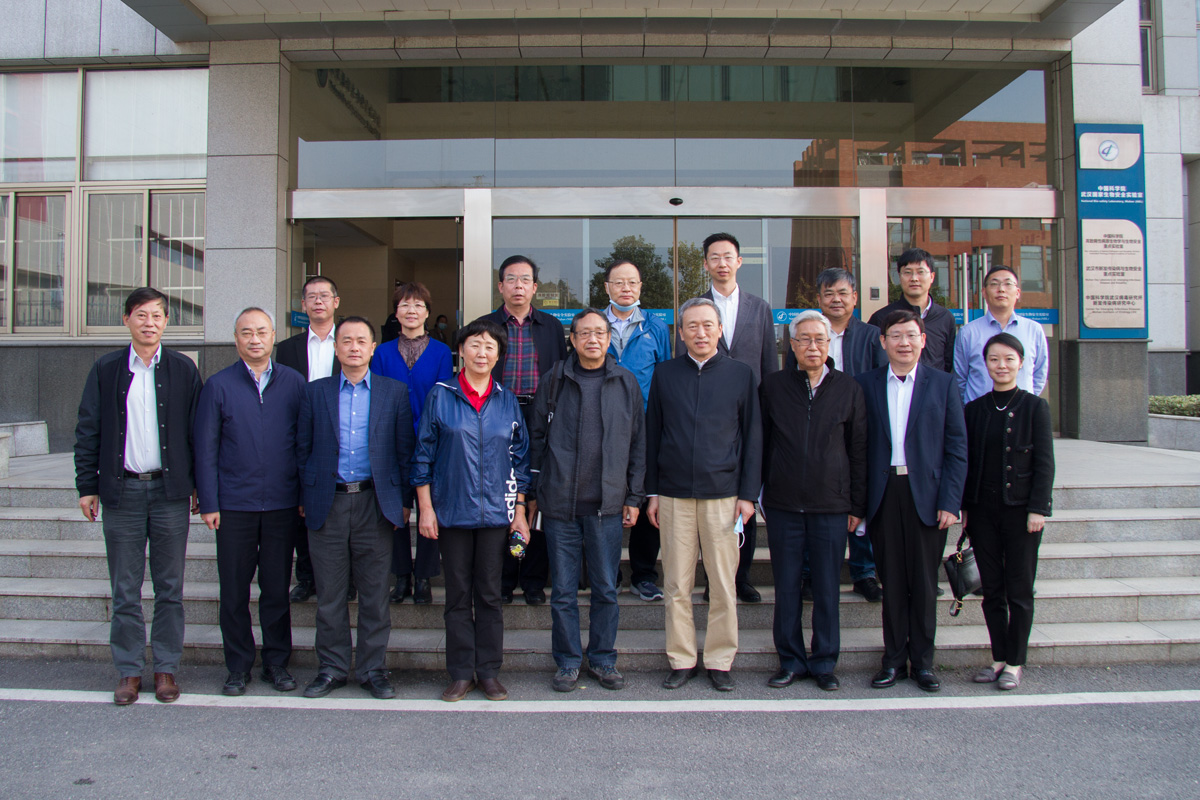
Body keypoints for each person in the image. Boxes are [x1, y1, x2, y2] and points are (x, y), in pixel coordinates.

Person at [74, 287, 203, 705]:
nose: (150, 323)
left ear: (166, 322)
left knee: (170, 587)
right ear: (126, 319)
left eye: (157, 315)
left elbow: (198, 433)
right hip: (122, 490)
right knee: (125, 588)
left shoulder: (183, 369)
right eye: (141, 315)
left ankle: (165, 668)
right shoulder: (106, 368)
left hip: (169, 493)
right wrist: (87, 485)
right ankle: (129, 671)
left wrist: (199, 486)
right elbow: (88, 429)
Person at [412, 319, 531, 702]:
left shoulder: (506, 399)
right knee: (458, 595)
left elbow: (520, 459)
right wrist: (426, 508)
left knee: (491, 595)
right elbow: (423, 455)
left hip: (497, 514)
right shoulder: (441, 395)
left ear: (499, 356)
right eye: (475, 345)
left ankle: (489, 672)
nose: (482, 353)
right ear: (461, 351)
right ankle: (462, 673)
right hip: (452, 511)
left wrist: (520, 512)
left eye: (490, 347)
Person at [295, 316, 414, 700]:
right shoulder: (315, 392)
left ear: (373, 347)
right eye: (346, 340)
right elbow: (302, 449)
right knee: (330, 595)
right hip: (327, 502)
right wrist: (304, 496)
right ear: (336, 347)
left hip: (374, 503)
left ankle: (372, 669)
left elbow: (404, 451)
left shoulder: (393, 392)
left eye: (361, 340)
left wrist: (404, 502)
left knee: (375, 594)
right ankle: (331, 669)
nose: (354, 347)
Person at [647, 298, 762, 692]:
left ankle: (720, 659)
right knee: (677, 584)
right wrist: (652, 492)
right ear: (680, 333)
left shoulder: (741, 375)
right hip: (673, 494)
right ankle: (681, 658)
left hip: (724, 496)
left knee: (723, 584)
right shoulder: (665, 374)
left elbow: (753, 438)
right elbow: (653, 433)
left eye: (708, 325)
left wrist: (748, 495)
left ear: (719, 330)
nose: (700, 333)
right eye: (692, 326)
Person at [529, 309, 646, 693]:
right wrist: (534, 493)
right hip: (560, 504)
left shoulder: (625, 382)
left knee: (605, 589)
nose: (593, 339)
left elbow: (638, 443)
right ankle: (566, 662)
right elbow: (536, 440)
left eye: (600, 333)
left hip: (607, 507)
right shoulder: (555, 380)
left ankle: (602, 658)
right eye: (585, 333)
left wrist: (633, 495)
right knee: (563, 592)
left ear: (609, 339)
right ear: (573, 339)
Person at [193, 308, 306, 696]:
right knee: (234, 592)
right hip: (233, 506)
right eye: (246, 333)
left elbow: (303, 444)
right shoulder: (218, 385)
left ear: (273, 336)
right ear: (236, 338)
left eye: (261, 332)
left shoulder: (293, 383)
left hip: (281, 505)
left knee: (276, 590)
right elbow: (205, 448)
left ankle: (276, 663)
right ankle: (238, 666)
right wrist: (209, 501)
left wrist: (302, 496)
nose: (254, 339)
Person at [855, 310, 967, 693]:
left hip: (928, 497)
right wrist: (858, 504)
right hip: (884, 493)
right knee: (891, 581)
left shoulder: (943, 384)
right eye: (896, 336)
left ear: (923, 340)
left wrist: (951, 500)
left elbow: (957, 447)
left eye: (911, 335)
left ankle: (923, 663)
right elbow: (858, 447)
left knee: (923, 583)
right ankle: (892, 660)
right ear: (883, 341)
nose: (904, 342)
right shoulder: (866, 384)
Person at [761, 310, 867, 692]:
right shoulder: (773, 387)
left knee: (826, 588)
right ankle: (790, 660)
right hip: (783, 505)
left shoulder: (849, 389)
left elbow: (859, 450)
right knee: (787, 587)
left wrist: (857, 505)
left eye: (819, 339)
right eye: (804, 339)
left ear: (829, 344)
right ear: (791, 345)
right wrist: (759, 492)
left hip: (831, 506)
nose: (812, 346)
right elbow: (762, 443)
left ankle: (824, 662)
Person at [682, 232, 778, 604]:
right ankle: (712, 579)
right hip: (707, 418)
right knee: (710, 504)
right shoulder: (696, 307)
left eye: (728, 256)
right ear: (705, 264)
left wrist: (768, 415)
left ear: (739, 261)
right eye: (714, 257)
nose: (722, 263)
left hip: (748, 415)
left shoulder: (760, 307)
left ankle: (743, 577)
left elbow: (769, 364)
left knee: (744, 495)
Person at [784, 267, 886, 603]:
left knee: (858, 499)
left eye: (843, 293)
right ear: (819, 299)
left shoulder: (871, 336)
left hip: (859, 427)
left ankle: (864, 571)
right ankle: (810, 574)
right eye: (829, 294)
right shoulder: (805, 334)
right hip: (815, 432)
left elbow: (880, 381)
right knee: (814, 502)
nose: (836, 299)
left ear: (855, 297)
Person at [963, 332, 1055, 691]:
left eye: (1008, 359)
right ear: (985, 364)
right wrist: (965, 508)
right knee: (992, 590)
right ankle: (998, 658)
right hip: (983, 512)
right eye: (994, 359)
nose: (1001, 366)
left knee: (1019, 589)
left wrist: (1038, 508)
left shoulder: (1035, 408)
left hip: (1021, 513)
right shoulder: (975, 409)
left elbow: (1044, 463)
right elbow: (969, 463)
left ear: (1021, 363)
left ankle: (1015, 662)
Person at [476, 255, 566, 606]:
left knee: (538, 493)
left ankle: (532, 580)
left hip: (541, 415)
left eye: (525, 279)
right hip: (497, 414)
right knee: (502, 492)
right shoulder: (484, 325)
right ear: (500, 286)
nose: (518, 286)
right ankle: (502, 579)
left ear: (535, 287)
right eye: (511, 279)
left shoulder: (551, 327)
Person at [370, 282, 453, 606]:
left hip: (430, 442)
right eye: (405, 305)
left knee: (429, 508)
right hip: (391, 443)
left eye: (418, 305)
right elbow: (377, 398)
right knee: (396, 511)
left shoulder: (441, 352)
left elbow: (442, 397)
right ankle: (402, 575)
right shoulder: (382, 352)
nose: (411, 310)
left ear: (427, 312)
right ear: (396, 312)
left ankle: (424, 578)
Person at [603, 259, 672, 603]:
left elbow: (666, 378)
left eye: (632, 282)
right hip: (602, 426)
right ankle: (609, 573)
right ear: (607, 288)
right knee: (606, 499)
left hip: (645, 426)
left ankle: (644, 575)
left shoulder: (656, 327)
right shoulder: (594, 324)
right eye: (619, 282)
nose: (626, 288)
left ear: (641, 287)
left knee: (645, 497)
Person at [276, 275, 342, 604]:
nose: (318, 301)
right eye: (311, 297)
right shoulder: (287, 348)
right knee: (303, 507)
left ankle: (344, 578)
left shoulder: (349, 341)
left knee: (340, 509)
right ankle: (306, 577)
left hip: (341, 434)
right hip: (301, 435)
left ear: (336, 302)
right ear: (303, 305)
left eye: (324, 296)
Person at [954, 264, 1050, 404]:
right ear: (984, 292)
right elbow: (960, 378)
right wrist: (973, 408)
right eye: (994, 284)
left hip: (1021, 412)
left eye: (1008, 284)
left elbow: (1039, 375)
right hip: (980, 412)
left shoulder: (1034, 330)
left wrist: (1025, 404)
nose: (1001, 289)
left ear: (1017, 292)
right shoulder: (967, 333)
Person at [868, 248, 957, 374]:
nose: (914, 278)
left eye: (920, 272)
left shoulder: (945, 318)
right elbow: (873, 360)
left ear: (932, 277)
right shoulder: (881, 317)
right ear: (900, 277)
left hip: (933, 385)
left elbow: (948, 362)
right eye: (908, 272)